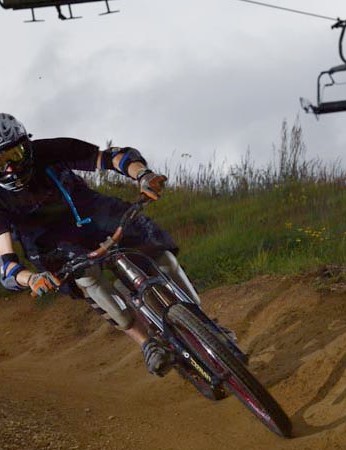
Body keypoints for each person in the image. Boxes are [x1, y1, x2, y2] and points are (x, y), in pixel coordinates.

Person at [0, 113, 200, 376]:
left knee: (160, 255)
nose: (10, 168)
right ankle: (146, 343)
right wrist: (32, 280)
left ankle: (201, 322)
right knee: (88, 280)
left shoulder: (49, 150)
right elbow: (5, 264)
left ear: (27, 144)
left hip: (96, 213)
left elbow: (110, 157)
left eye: (14, 154)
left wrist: (142, 175)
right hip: (50, 243)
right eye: (1, 161)